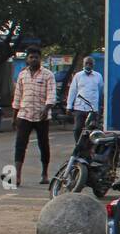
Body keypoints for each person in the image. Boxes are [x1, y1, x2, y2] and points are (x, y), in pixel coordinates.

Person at [11, 46, 57, 187]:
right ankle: (17, 175)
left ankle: (44, 174)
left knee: (43, 145)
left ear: (40, 59)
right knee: (20, 145)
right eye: (31, 57)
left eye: (36, 57)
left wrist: (46, 108)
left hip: (41, 117)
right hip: (24, 115)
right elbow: (17, 96)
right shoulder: (22, 75)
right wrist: (15, 117)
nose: (33, 59)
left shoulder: (48, 74)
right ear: (27, 59)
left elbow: (52, 95)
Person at [65, 55, 103, 139]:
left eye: (90, 63)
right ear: (83, 64)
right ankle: (78, 147)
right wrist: (69, 106)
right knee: (77, 129)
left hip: (93, 109)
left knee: (92, 131)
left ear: (93, 65)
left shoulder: (98, 76)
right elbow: (72, 91)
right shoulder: (78, 76)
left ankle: (89, 149)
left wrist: (101, 106)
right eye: (86, 63)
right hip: (80, 107)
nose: (88, 65)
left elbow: (101, 92)